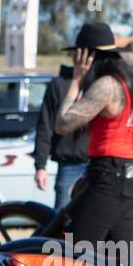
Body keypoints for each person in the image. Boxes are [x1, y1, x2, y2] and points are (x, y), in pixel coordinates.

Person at [52, 21, 133, 248]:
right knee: (127, 263)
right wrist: (128, 172)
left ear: (86, 56)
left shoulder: (106, 86)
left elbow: (62, 124)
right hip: (132, 179)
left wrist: (76, 80)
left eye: (77, 55)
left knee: (76, 253)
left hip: (108, 177)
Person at [33, 63, 90, 208]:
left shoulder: (101, 82)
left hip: (99, 163)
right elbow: (45, 126)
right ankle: (68, 233)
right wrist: (40, 165)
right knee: (64, 217)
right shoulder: (59, 84)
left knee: (92, 215)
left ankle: (81, 232)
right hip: (69, 164)